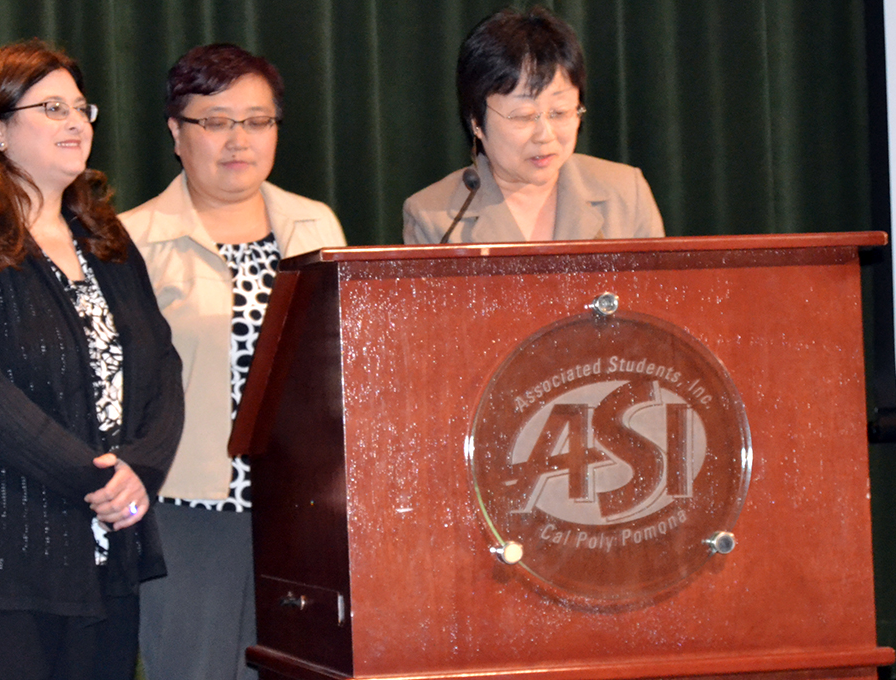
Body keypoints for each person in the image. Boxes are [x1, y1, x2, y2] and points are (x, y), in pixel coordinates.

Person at [0, 40, 184, 680]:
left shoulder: (106, 241)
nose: (76, 123)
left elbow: (161, 367)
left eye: (83, 108)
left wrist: (142, 466)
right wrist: (101, 479)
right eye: (52, 108)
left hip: (104, 554)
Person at [120, 43, 346, 680]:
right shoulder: (132, 239)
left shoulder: (315, 226)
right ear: (175, 131)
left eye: (256, 121)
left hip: (304, 509)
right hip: (187, 508)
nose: (237, 139)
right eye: (215, 122)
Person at [403, 6, 665, 244]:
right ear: (476, 121)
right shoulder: (433, 218)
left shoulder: (627, 195)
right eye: (523, 116)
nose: (545, 135)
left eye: (560, 112)